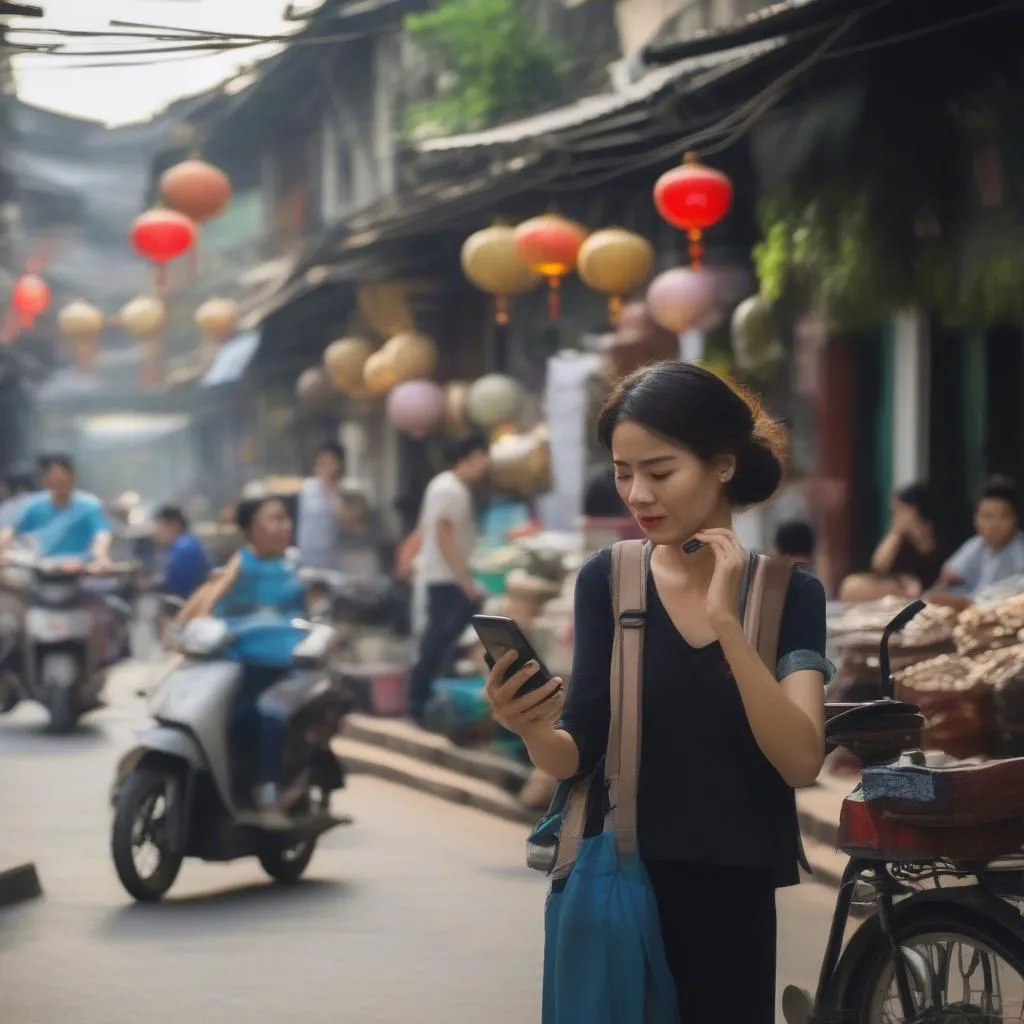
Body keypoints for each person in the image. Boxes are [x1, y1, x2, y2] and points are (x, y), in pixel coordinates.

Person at [485, 362, 830, 1022]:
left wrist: (729, 621)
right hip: (622, 884)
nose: (638, 494)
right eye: (624, 472)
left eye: (660, 471)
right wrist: (529, 725)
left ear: (722, 465)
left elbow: (800, 759)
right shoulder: (607, 581)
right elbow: (576, 753)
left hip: (737, 899)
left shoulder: (791, 595)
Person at [179, 496, 306, 828]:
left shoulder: (295, 567)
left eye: (284, 518)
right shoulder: (241, 565)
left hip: (287, 666)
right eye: (273, 519)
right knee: (233, 717)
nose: (283, 526)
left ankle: (268, 795)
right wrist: (184, 628)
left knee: (269, 713)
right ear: (250, 529)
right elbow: (209, 599)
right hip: (242, 663)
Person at [407, 435, 491, 725]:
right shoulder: (451, 490)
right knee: (438, 638)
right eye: (482, 459)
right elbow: (443, 535)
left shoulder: (443, 485)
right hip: (446, 578)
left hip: (443, 575)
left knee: (443, 638)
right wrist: (465, 581)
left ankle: (427, 698)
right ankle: (418, 700)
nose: (485, 466)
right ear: (470, 457)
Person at [0, 454, 111, 567]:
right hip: (44, 565)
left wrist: (101, 557)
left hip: (78, 564)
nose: (57, 483)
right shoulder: (36, 505)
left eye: (61, 478)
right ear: (45, 480)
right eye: (53, 478)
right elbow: (10, 530)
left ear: (72, 478)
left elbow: (101, 535)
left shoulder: (89, 505)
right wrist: (3, 552)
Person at [840, 482, 942, 603]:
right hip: (899, 590)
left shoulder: (937, 534)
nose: (895, 514)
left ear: (914, 509)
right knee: (852, 585)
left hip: (927, 593)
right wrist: (896, 531)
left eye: (900, 509)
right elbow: (879, 566)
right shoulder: (899, 535)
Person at [939, 478, 1024, 594]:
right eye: (987, 516)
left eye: (1003, 516)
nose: (994, 524)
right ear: (975, 519)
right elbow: (948, 574)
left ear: (1015, 519)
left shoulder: (1020, 549)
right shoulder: (977, 544)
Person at [296, 441, 347, 570]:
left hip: (332, 555)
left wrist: (331, 490)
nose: (327, 468)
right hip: (306, 554)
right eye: (322, 463)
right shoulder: (307, 488)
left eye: (331, 463)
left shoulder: (343, 491)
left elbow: (344, 520)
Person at [152, 506, 209, 600]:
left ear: (173, 525)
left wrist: (149, 587)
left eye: (159, 527)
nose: (156, 532)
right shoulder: (188, 541)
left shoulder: (183, 548)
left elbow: (177, 586)